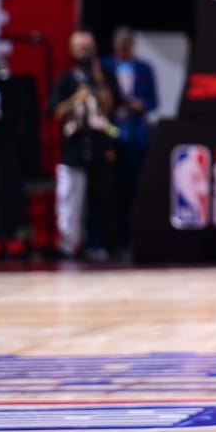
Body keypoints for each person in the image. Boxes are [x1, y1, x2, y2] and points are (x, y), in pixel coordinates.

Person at [50, 30, 121, 261]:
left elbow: (112, 105)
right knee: (70, 200)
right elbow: (54, 112)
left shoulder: (105, 75)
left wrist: (98, 78)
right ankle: (69, 247)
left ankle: (106, 246)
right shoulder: (66, 79)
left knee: (105, 200)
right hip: (75, 148)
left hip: (101, 147)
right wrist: (75, 99)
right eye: (79, 46)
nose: (84, 50)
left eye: (88, 46)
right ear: (71, 49)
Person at [103, 26, 159, 247]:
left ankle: (130, 240)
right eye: (121, 48)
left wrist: (141, 104)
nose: (124, 51)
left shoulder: (144, 68)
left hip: (136, 134)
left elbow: (154, 101)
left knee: (134, 189)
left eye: (128, 47)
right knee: (110, 190)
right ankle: (108, 241)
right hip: (111, 132)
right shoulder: (105, 66)